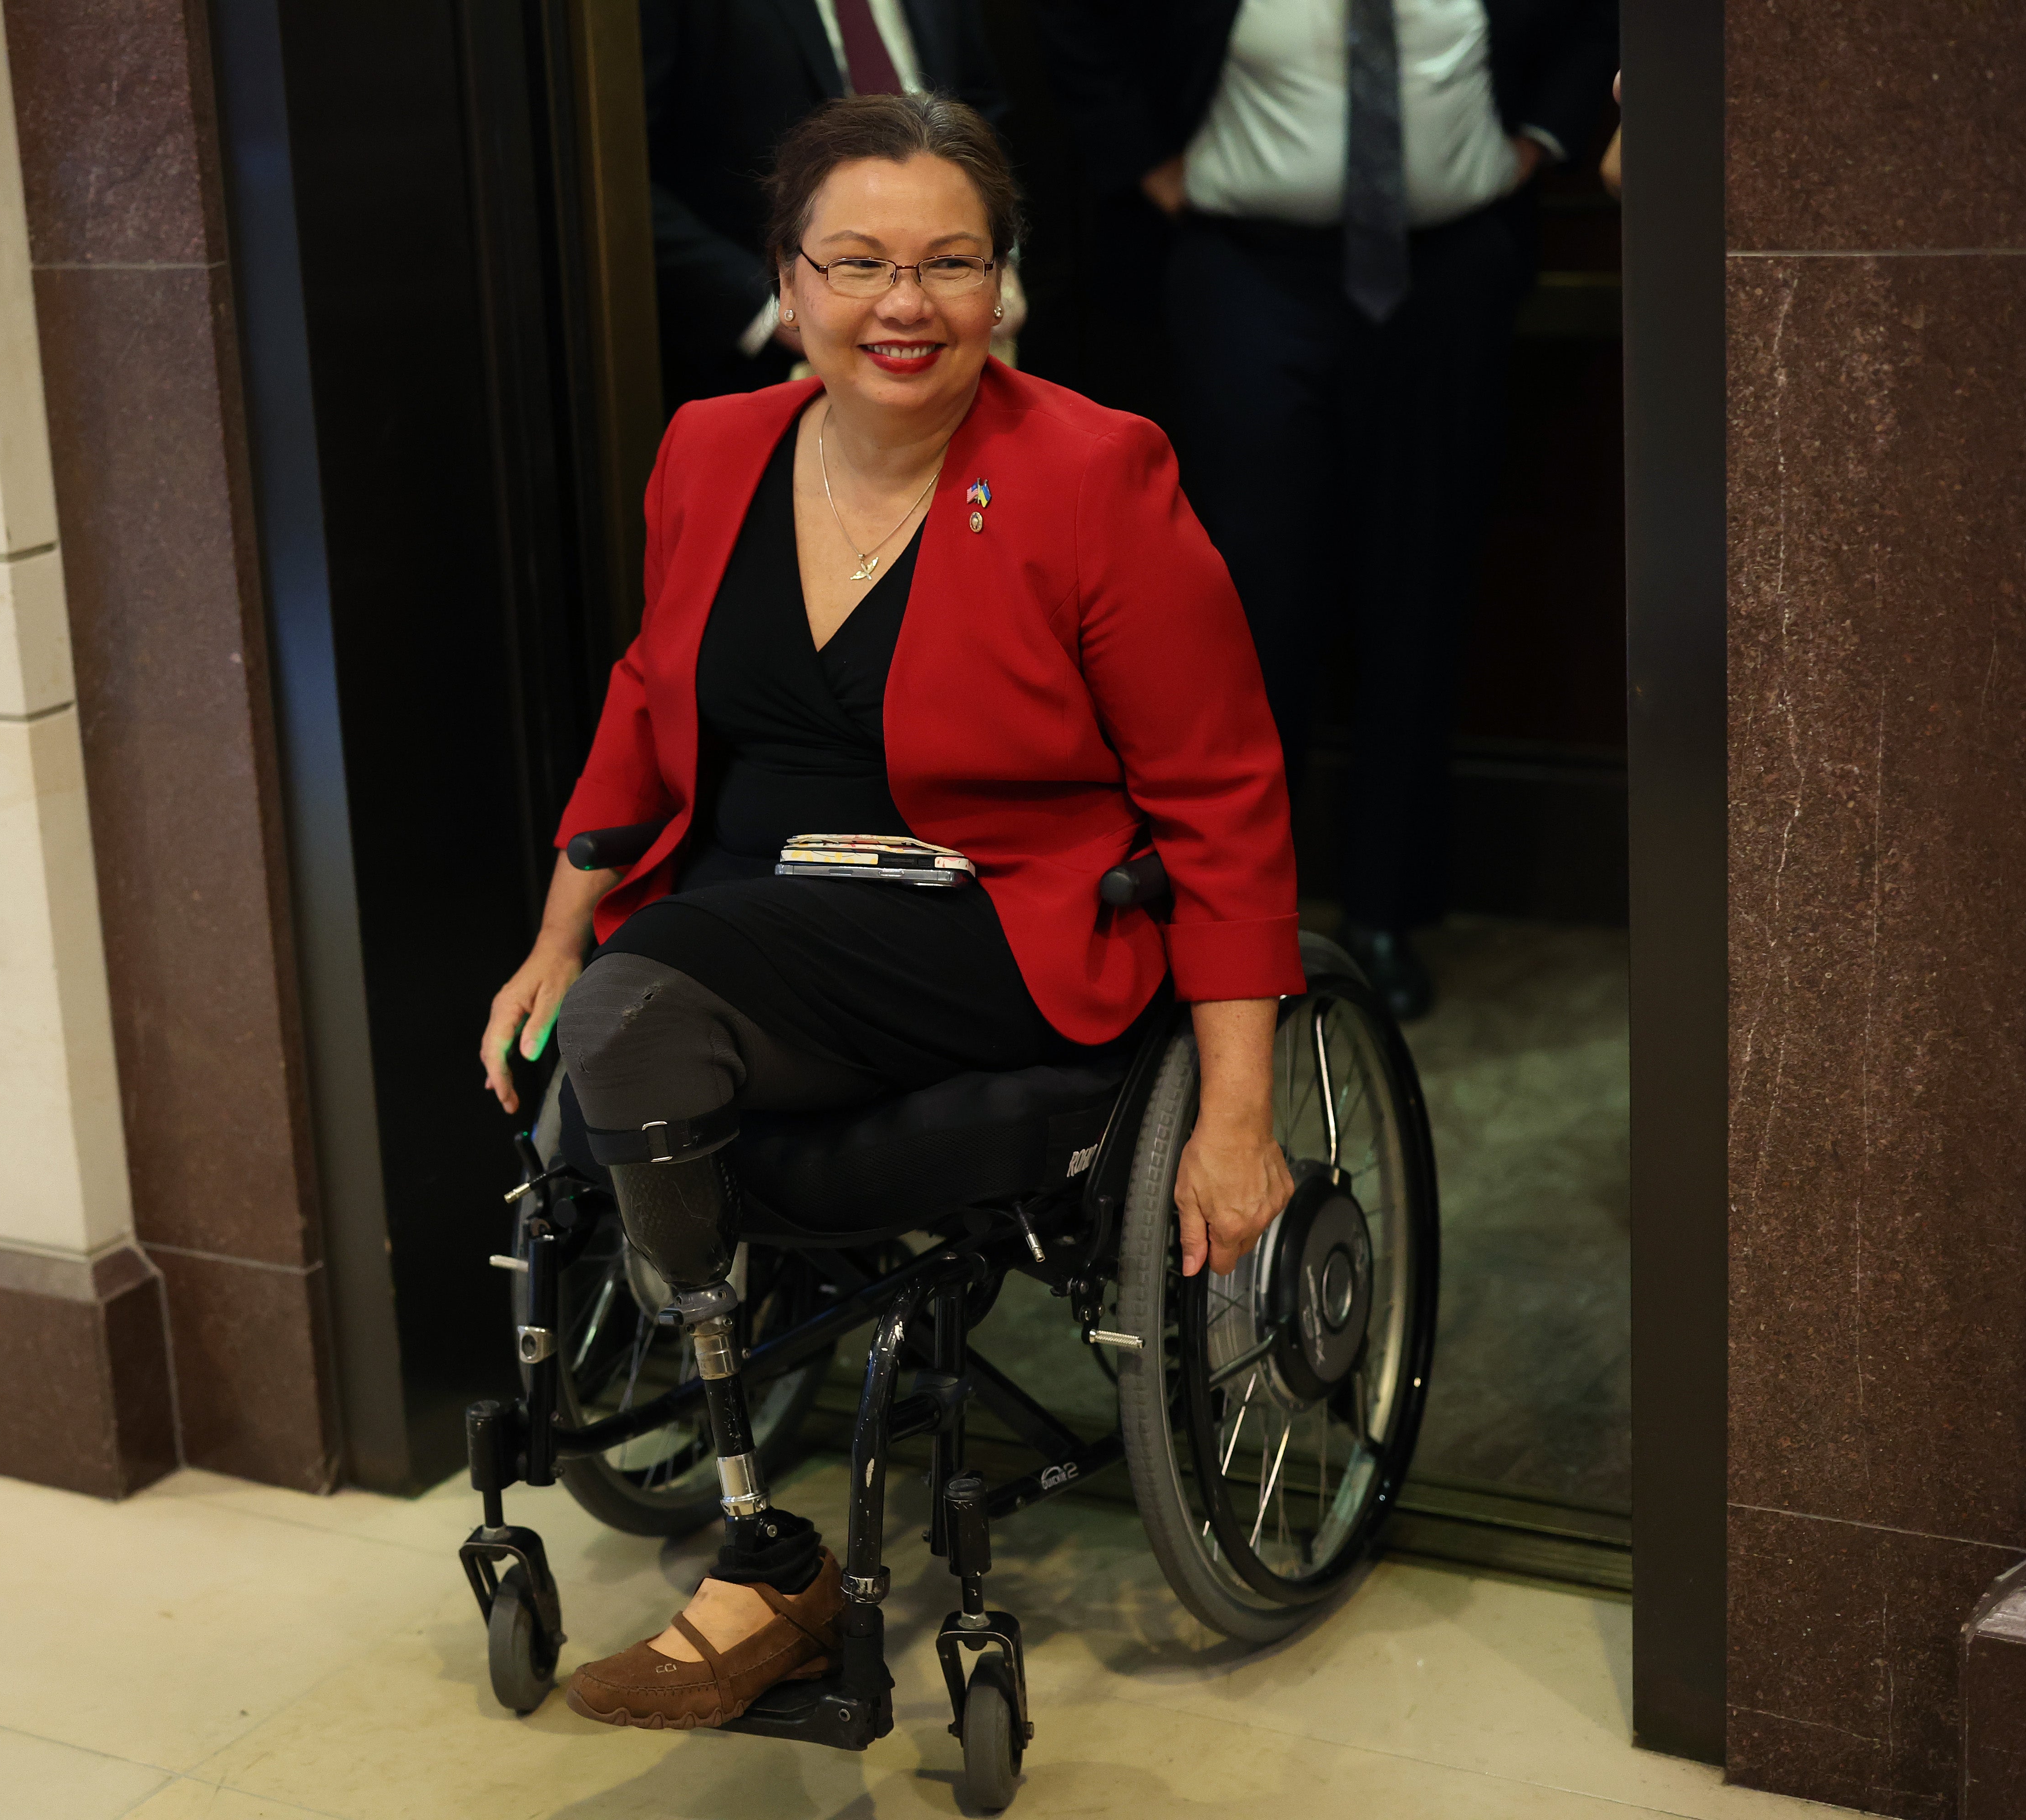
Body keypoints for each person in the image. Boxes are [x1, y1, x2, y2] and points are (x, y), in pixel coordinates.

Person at [477, 92, 1303, 1732]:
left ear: (1004, 286)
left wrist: (1241, 1110)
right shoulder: (713, 449)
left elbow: (1222, 795)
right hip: (746, 925)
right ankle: (741, 1451)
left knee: (646, 1015)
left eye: (948, 262)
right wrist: (559, 932)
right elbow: (651, 708)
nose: (902, 303)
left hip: (987, 927)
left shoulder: (1093, 473)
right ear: (790, 284)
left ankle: (764, 1565)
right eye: (855, 261)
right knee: (626, 1006)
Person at [1036, 0, 1618, 1017]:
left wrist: (1539, 143)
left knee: (1424, 585)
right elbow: (1080, 30)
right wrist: (1148, 165)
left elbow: (1592, 24)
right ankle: (1245, 922)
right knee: (1252, 605)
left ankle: (1389, 912)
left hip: (1453, 271)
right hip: (1251, 275)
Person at [644, 0, 1016, 410]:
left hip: (970, 357)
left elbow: (982, 115)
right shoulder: (696, 440)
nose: (906, 308)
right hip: (749, 365)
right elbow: (616, 174)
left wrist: (994, 259)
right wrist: (773, 311)